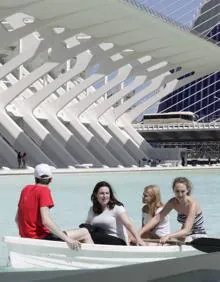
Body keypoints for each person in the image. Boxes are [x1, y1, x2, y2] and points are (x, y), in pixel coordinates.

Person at [15, 163, 93, 249]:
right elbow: (46, 221)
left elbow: (17, 219)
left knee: (75, 237)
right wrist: (67, 239)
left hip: (26, 238)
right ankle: (93, 258)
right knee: (84, 232)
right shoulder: (44, 191)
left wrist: (25, 235)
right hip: (41, 238)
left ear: (35, 178)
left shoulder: (25, 189)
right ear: (51, 179)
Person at [140, 177, 207, 244]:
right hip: (184, 236)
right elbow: (157, 218)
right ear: (173, 190)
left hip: (198, 236)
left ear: (187, 190)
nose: (180, 195)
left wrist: (168, 236)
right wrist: (140, 232)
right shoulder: (173, 202)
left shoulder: (192, 204)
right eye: (177, 191)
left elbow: (187, 230)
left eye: (182, 191)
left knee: (169, 240)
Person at [86, 181, 145, 246]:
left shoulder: (117, 208)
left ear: (110, 195)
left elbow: (128, 224)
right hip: (101, 241)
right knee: (85, 231)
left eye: (107, 193)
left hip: (118, 242)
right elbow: (87, 225)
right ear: (96, 195)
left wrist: (138, 239)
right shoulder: (92, 209)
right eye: (102, 193)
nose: (105, 196)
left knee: (87, 233)